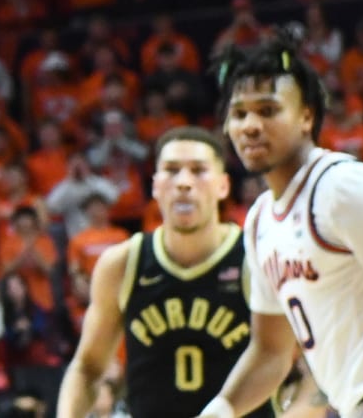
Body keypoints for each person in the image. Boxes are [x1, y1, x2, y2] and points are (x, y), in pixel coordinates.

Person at [195, 38, 363, 418]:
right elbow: (271, 352)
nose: (251, 126)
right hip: (361, 407)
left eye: (268, 110)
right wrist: (223, 407)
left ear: (306, 117)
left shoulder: (344, 189)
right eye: (240, 113)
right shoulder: (261, 219)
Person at [60, 127, 260, 418]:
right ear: (154, 185)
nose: (183, 182)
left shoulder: (255, 259)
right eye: (171, 170)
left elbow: (304, 369)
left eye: (198, 170)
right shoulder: (122, 263)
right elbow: (88, 367)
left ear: (223, 186)